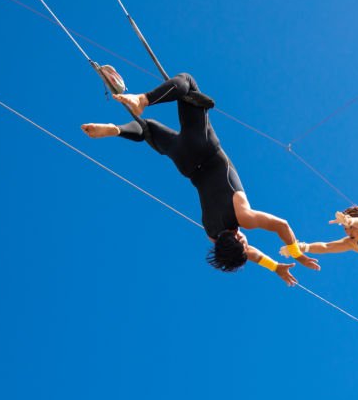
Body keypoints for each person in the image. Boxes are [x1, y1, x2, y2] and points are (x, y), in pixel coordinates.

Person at [81, 72, 319, 286]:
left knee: (187, 82)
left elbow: (282, 225)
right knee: (149, 130)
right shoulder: (212, 233)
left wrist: (295, 251)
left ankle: (142, 100)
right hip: (186, 163)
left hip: (205, 149)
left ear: (239, 239)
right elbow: (247, 253)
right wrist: (275, 267)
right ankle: (116, 129)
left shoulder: (244, 217)